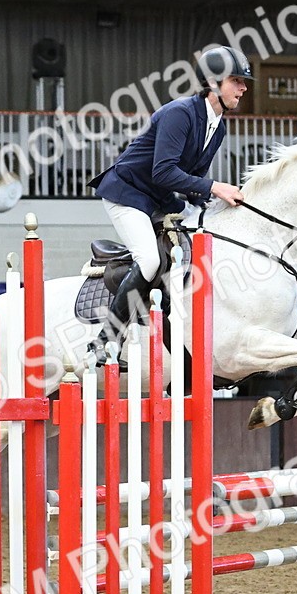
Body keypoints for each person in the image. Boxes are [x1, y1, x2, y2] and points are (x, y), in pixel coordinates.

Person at [87, 45, 252, 361]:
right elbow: (163, 171)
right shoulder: (179, 113)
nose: (244, 88)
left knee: (204, 231)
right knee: (149, 260)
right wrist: (216, 187)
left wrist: (214, 202)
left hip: (160, 197)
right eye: (236, 80)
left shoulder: (218, 126)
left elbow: (193, 179)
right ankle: (105, 340)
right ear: (214, 83)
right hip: (129, 193)